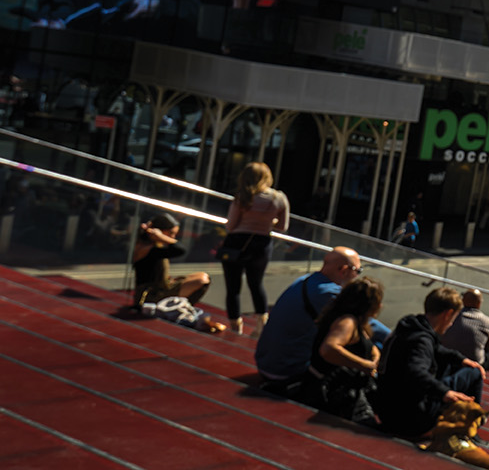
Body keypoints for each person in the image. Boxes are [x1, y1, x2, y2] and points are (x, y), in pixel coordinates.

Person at [374, 286, 485, 439]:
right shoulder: (422, 340)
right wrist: (445, 392)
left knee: (450, 365)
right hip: (412, 419)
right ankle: (473, 429)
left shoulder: (412, 327)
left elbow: (435, 350)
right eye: (453, 319)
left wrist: (460, 359)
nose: (451, 324)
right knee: (474, 372)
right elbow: (415, 370)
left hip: (388, 411)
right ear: (448, 314)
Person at [256, 248, 363, 393]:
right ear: (344, 270)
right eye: (358, 271)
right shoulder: (329, 293)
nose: (357, 276)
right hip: (287, 372)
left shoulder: (305, 280)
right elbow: (363, 326)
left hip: (265, 363)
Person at [219, 162, 289, 330]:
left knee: (233, 287)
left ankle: (236, 325)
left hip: (236, 243)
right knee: (256, 284)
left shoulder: (242, 197)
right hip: (262, 244)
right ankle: (261, 324)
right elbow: (282, 227)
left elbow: (230, 226)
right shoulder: (278, 198)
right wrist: (268, 221)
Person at [308, 277, 385, 425]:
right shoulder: (347, 322)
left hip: (345, 386)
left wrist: (374, 358)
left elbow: (369, 344)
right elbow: (329, 348)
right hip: (334, 392)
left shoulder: (354, 320)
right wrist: (364, 365)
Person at [131, 212, 210, 307]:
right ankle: (175, 307)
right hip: (150, 295)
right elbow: (180, 250)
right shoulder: (146, 248)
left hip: (161, 287)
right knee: (201, 281)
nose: (173, 238)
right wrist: (161, 237)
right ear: (159, 231)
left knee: (201, 276)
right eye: (171, 233)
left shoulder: (153, 245)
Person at [443, 289, 489, 388]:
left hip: (450, 361)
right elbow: (487, 348)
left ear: (463, 301)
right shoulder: (487, 321)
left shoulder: (452, 317)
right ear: (479, 303)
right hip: (474, 364)